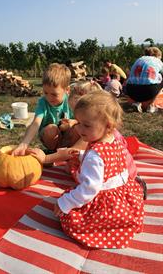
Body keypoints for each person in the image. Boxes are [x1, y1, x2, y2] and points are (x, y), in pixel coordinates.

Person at [29, 90, 144, 248]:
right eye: (78, 123)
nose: (79, 129)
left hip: (106, 202)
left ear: (108, 126)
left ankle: (103, 228)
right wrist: (82, 155)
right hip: (122, 196)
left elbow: (89, 189)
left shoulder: (95, 156)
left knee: (71, 218)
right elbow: (106, 163)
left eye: (86, 125)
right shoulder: (114, 140)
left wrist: (65, 203)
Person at [12, 63, 77, 155]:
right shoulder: (43, 102)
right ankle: (54, 151)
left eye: (54, 94)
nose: (49, 98)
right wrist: (24, 143)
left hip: (66, 136)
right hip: (50, 137)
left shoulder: (71, 101)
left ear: (67, 90)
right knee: (51, 129)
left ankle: (71, 151)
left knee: (78, 128)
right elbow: (36, 123)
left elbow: (82, 120)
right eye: (46, 93)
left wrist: (73, 122)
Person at [126, 47, 163, 113]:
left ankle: (136, 103)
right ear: (157, 55)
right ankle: (151, 105)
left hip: (131, 91)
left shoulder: (138, 60)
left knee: (135, 79)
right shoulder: (157, 61)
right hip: (148, 91)